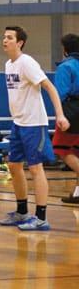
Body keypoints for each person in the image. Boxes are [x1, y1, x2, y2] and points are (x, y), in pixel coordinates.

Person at [0, 25, 70, 230]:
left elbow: (50, 87)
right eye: (4, 37)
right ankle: (22, 212)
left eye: (9, 37)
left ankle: (41, 218)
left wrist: (60, 114)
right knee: (13, 166)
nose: (5, 40)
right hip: (18, 124)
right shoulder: (8, 65)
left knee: (36, 168)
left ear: (19, 42)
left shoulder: (27, 63)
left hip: (33, 124)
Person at [53, 33, 79, 204]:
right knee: (77, 151)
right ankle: (77, 193)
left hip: (72, 111)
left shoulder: (65, 67)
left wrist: (60, 115)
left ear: (65, 49)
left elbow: (60, 94)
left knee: (61, 148)